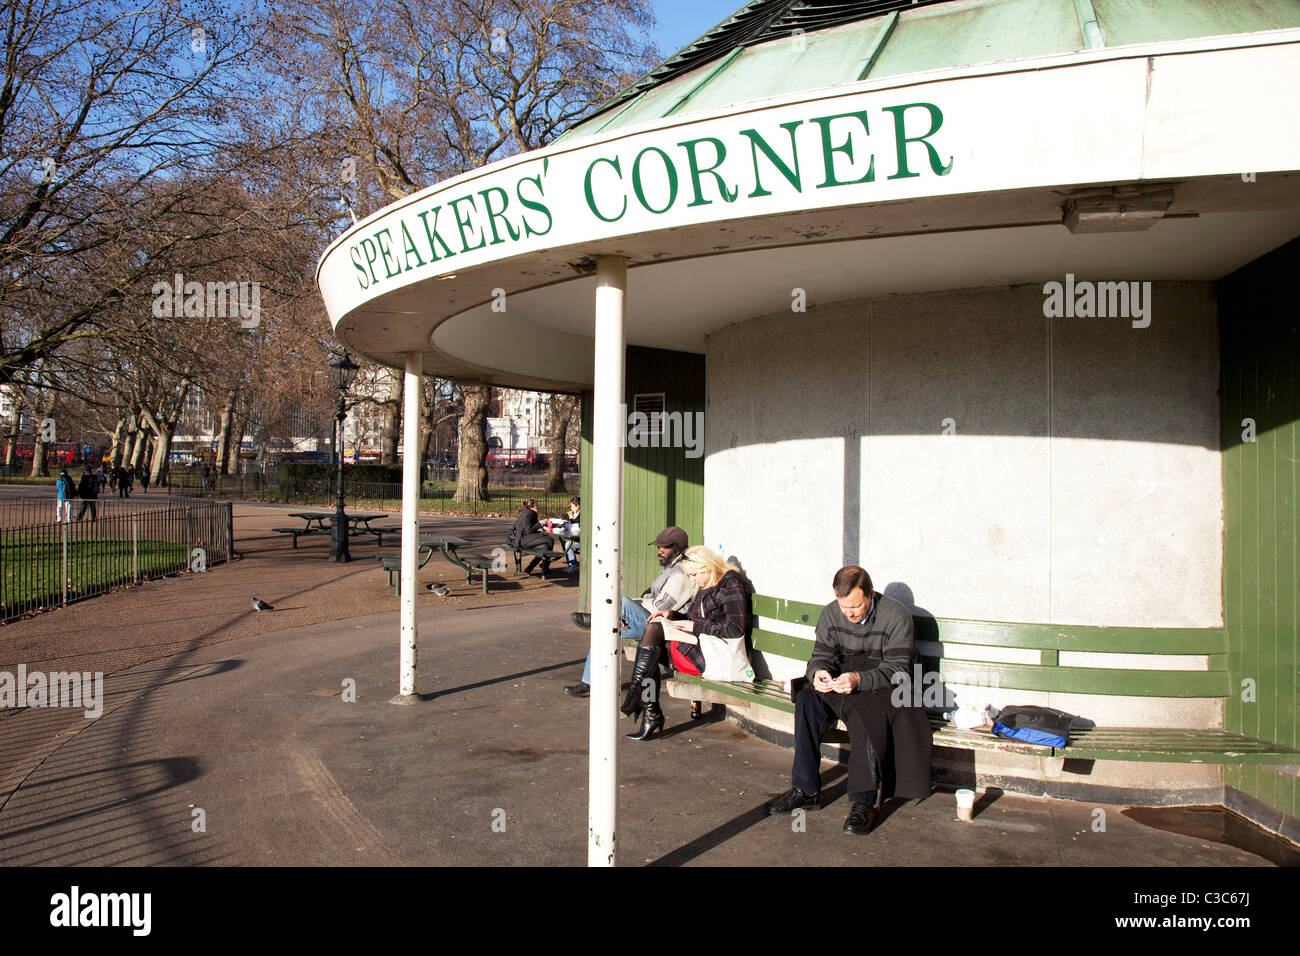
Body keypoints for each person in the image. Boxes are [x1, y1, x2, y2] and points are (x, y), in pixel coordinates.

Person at [766, 566, 933, 836]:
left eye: (855, 606)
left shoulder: (895, 615)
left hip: (883, 683)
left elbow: (899, 668)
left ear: (870, 594)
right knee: (807, 699)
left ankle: (863, 802)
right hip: (842, 676)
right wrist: (818, 672)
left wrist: (859, 680)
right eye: (844, 607)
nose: (849, 613)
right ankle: (805, 789)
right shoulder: (832, 613)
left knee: (867, 714)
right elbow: (820, 654)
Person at [622, 546, 752, 741]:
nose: (692, 580)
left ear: (706, 567)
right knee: (652, 645)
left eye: (693, 575)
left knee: (652, 640)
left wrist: (695, 625)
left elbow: (735, 628)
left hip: (713, 658)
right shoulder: (707, 584)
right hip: (700, 648)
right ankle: (646, 707)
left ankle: (644, 703)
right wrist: (672, 615)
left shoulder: (730, 584)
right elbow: (693, 618)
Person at [563, 526, 696, 698]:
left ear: (677, 548)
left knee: (621, 603)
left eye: (665, 547)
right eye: (658, 546)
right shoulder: (669, 567)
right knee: (604, 631)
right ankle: (589, 683)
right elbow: (650, 598)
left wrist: (628, 609)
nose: (660, 550)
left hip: (666, 629)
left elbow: (659, 609)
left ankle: (597, 619)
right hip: (652, 621)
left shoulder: (681, 574)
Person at [510, 498, 554, 574]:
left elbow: (532, 527)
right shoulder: (528, 514)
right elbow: (529, 530)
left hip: (523, 538)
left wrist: (542, 526)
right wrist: (540, 524)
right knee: (550, 540)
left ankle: (531, 568)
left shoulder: (529, 513)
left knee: (545, 546)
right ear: (532, 507)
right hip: (521, 540)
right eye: (537, 506)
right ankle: (544, 566)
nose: (538, 507)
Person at [561, 496, 580, 574]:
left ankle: (574, 565)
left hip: (581, 540)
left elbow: (577, 527)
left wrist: (571, 518)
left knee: (568, 544)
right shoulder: (575, 513)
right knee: (564, 541)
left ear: (577, 506)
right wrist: (570, 517)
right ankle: (570, 564)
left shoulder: (581, 514)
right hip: (575, 537)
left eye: (572, 506)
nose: (571, 508)